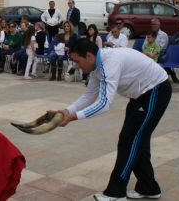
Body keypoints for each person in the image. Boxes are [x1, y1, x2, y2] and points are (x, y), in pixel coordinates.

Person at [56, 40, 172, 201]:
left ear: (89, 56)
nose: (76, 65)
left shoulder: (109, 63)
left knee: (129, 141)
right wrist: (67, 111)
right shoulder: (96, 66)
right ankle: (149, 187)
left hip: (156, 91)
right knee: (137, 140)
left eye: (77, 61)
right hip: (139, 96)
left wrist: (73, 117)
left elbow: (104, 104)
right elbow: (90, 95)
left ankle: (116, 192)